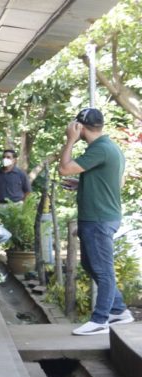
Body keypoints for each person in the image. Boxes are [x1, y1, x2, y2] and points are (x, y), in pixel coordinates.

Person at [58, 107, 134, 335]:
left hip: (99, 219)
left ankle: (101, 319)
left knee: (103, 270)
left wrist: (70, 140)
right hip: (99, 217)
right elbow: (115, 184)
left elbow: (63, 168)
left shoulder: (100, 148)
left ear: (80, 126)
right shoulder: (110, 148)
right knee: (90, 265)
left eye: (75, 127)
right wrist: (82, 184)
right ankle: (119, 310)